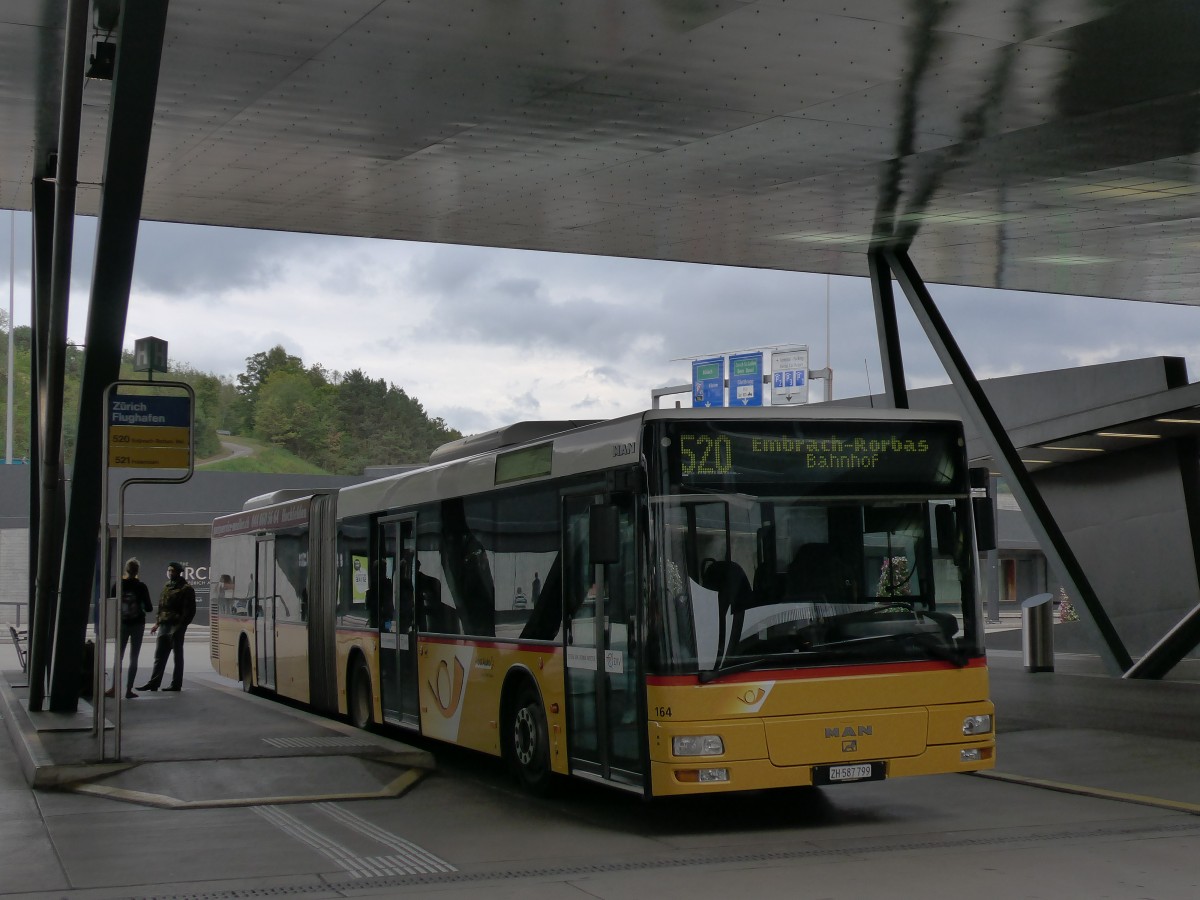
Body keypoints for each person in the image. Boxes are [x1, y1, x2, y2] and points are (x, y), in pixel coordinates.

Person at [137, 562, 197, 692]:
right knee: (159, 655)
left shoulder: (186, 589)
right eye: (169, 570)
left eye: (172, 571)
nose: (170, 573)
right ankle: (154, 682)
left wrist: (180, 626)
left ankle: (176, 684)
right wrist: (157, 623)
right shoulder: (166, 585)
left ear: (178, 572)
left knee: (177, 656)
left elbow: (189, 611)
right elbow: (162, 604)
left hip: (176, 626)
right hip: (164, 625)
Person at [106, 557, 153, 699]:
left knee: (118, 657)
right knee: (134, 657)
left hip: (123, 624)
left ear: (126, 570)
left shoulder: (118, 585)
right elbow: (149, 607)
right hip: (138, 624)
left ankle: (114, 688)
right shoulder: (141, 586)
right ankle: (128, 690)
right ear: (137, 571)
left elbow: (112, 605)